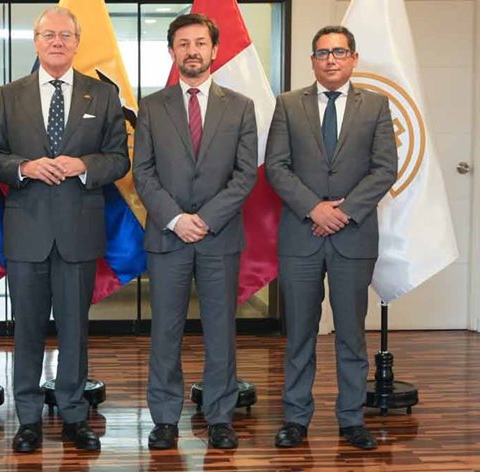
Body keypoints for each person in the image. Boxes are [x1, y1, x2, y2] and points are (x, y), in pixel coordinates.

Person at [0, 6, 129, 454]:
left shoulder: (102, 96)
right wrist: (24, 167)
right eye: (49, 34)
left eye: (66, 35)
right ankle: (27, 418)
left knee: (74, 331)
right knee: (26, 329)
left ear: (77, 41)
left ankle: (72, 414)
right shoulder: (10, 94)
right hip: (26, 232)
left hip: (78, 233)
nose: (58, 42)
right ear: (36, 40)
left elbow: (120, 159)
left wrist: (83, 165)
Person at [265, 25, 397, 450]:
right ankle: (296, 419)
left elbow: (384, 169)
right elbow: (276, 166)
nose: (331, 60)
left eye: (340, 52)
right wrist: (314, 208)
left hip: (353, 237)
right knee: (300, 332)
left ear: (354, 58)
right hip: (300, 235)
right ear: (312, 60)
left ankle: (351, 419)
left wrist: (341, 212)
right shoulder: (288, 105)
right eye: (322, 52)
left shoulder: (376, 106)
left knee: (351, 334)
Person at [133, 13, 257, 450]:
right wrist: (176, 219)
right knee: (165, 330)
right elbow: (143, 173)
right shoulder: (151, 106)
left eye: (199, 43)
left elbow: (245, 175)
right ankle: (165, 418)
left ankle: (219, 415)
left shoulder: (240, 106)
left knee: (220, 329)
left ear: (214, 50)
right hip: (168, 237)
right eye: (183, 44)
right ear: (172, 52)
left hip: (219, 236)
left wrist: (205, 219)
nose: (192, 51)